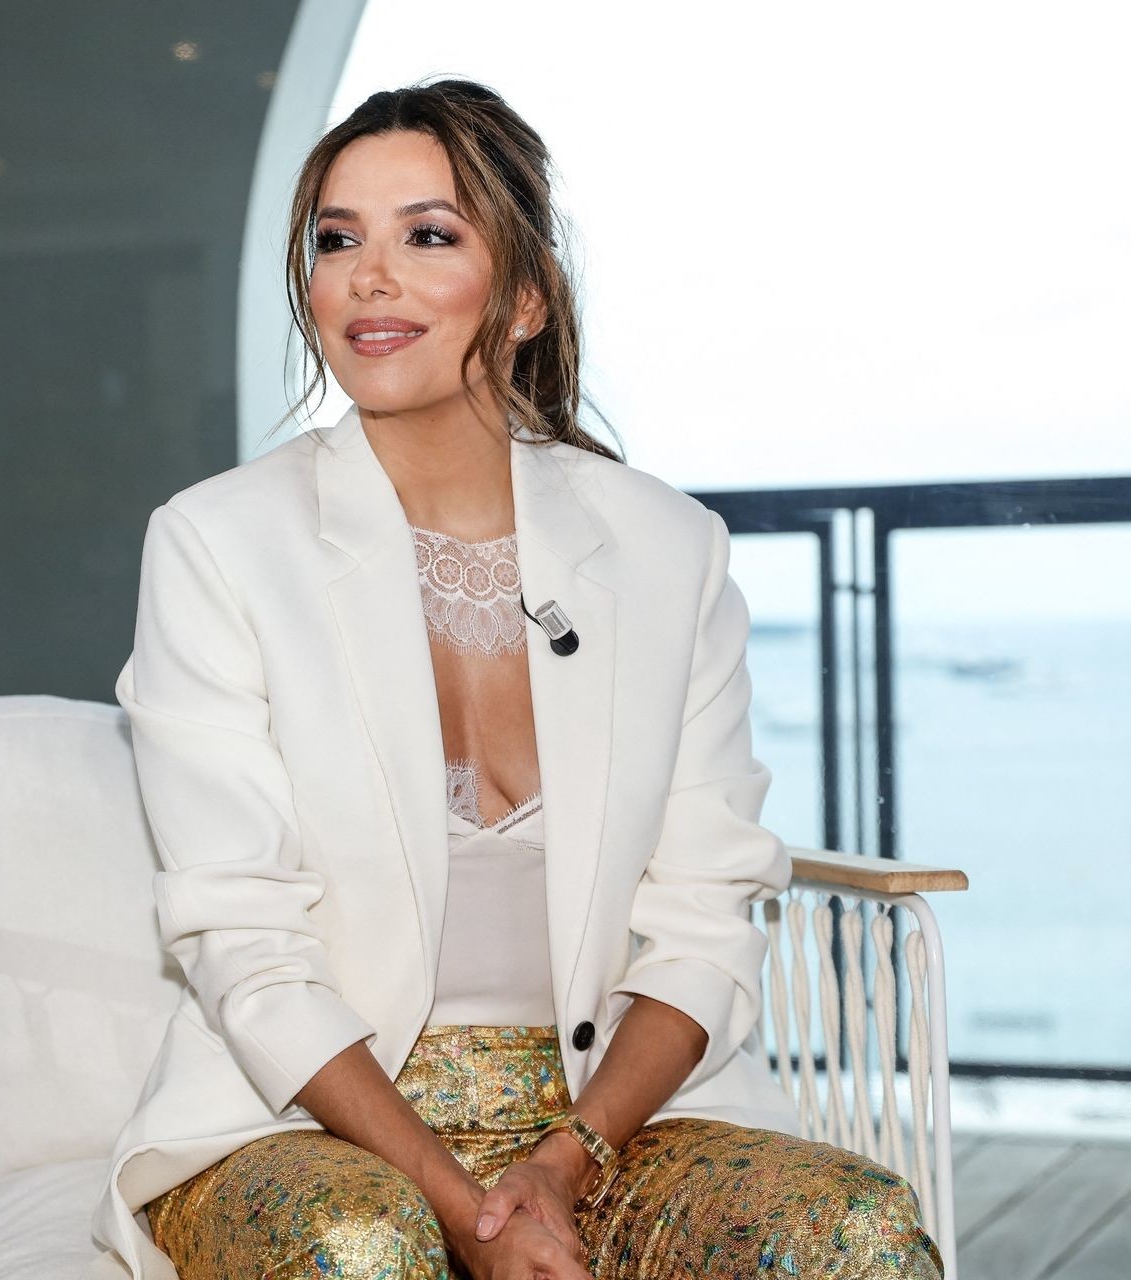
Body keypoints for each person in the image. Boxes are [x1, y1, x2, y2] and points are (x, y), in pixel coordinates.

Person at [86, 77, 945, 1279]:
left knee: (854, 1229)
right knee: (361, 1246)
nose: (368, 277)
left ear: (527, 295)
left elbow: (703, 918)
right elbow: (246, 941)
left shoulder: (667, 548)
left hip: (608, 1121)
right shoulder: (217, 543)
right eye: (338, 240)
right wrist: (464, 1206)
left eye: (427, 236)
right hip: (304, 1122)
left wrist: (562, 1160)